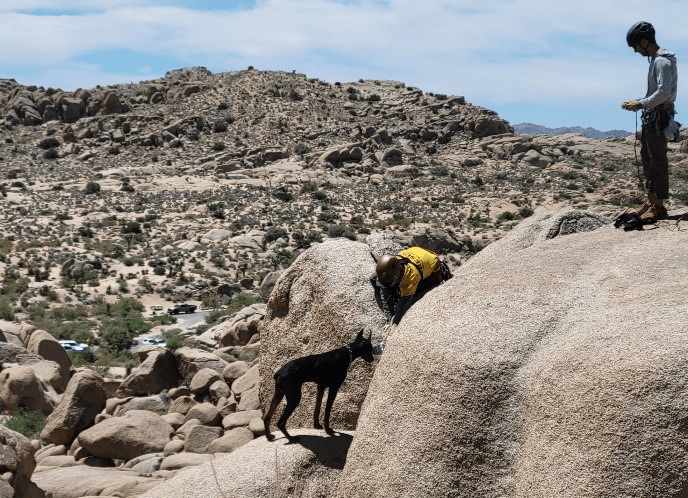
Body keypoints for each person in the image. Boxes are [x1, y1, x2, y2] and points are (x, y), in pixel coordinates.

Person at [622, 21, 678, 222]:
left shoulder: (662, 61)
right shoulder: (656, 60)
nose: (636, 51)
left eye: (636, 46)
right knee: (648, 159)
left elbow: (663, 92)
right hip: (653, 116)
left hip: (659, 117)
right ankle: (652, 201)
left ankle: (659, 207)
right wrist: (639, 102)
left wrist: (640, 104)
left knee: (657, 162)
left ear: (644, 41)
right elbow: (657, 93)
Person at [370, 246, 448, 327]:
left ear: (396, 274)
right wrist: (390, 317)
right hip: (416, 252)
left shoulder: (410, 277)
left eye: (389, 281)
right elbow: (385, 294)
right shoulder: (393, 266)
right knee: (373, 279)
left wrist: (395, 322)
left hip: (433, 269)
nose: (385, 285)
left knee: (413, 299)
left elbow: (402, 308)